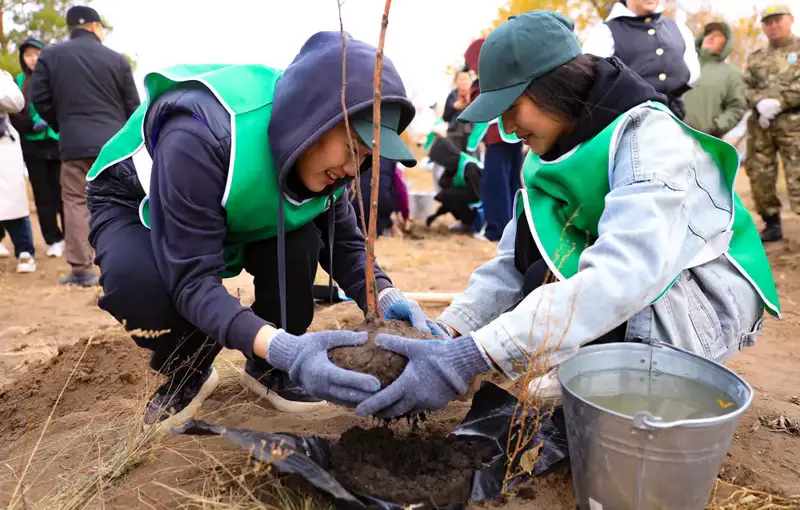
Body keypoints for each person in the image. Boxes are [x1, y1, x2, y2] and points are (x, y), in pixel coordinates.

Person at [351, 11, 779, 419]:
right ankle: (590, 358)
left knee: (613, 305)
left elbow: (626, 274)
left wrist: (472, 358)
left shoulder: (648, 139)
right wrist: (452, 333)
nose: (506, 128)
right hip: (635, 285)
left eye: (511, 109)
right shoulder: (547, 154)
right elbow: (507, 267)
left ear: (552, 87)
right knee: (531, 253)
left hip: (693, 297)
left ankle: (620, 370)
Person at [86, 31, 442, 431]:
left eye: (366, 157)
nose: (351, 169)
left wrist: (384, 293)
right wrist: (285, 348)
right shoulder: (202, 133)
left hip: (239, 205)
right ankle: (189, 366)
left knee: (303, 239)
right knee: (141, 286)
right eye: (352, 147)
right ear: (317, 118)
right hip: (137, 202)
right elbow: (191, 278)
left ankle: (267, 368)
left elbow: (345, 247)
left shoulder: (325, 161)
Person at [31, 5, 140, 286]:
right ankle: (125, 265)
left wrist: (63, 126)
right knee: (120, 202)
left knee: (76, 201)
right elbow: (133, 106)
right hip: (114, 147)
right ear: (94, 26)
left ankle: (81, 270)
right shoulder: (116, 59)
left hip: (74, 145)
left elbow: (39, 99)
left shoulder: (51, 55)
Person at [582, 0, 700, 119]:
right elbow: (591, 82)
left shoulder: (679, 28)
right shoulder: (604, 33)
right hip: (630, 120)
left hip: (676, 117)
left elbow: (693, 72)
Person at [743, 4, 800, 243]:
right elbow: (744, 86)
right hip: (762, 126)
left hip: (795, 125)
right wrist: (759, 103)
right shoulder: (756, 57)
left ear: (791, 19)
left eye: (778, 20)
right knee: (760, 174)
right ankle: (772, 223)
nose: (773, 26)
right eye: (768, 22)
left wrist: (780, 102)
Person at [463, 38, 524, 242]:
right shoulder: (510, 77)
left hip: (497, 137)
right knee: (513, 183)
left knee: (495, 185)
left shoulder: (485, 83)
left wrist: (471, 142)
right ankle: (514, 229)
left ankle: (497, 230)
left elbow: (481, 110)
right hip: (515, 135)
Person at [9, 38, 64, 258]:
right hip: (33, 146)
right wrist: (31, 125)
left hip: (57, 142)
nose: (33, 59)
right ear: (23, 58)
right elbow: (14, 115)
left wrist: (51, 121)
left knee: (63, 194)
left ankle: (73, 236)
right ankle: (53, 239)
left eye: (37, 53)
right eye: (28, 54)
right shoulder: (18, 81)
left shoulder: (57, 78)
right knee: (42, 196)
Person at [683, 22, 747, 139]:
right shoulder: (683, 63)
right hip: (669, 135)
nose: (711, 37)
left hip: (704, 142)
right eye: (708, 34)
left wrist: (714, 127)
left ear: (726, 43)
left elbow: (737, 108)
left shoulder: (732, 75)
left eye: (718, 35)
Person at [0, 69, 36, 273]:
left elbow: (17, 102)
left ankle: (25, 252)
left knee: (13, 203)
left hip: (3, 146)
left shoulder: (2, 77)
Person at [425, 137, 483, 232]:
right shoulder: (453, 167)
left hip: (483, 206)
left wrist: (449, 195)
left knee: (447, 195)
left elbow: (476, 196)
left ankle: (474, 224)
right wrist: (437, 214)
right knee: (445, 191)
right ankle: (466, 223)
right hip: (472, 203)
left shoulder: (469, 167)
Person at [351, 158, 410, 237]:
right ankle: (385, 229)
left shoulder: (360, 156)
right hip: (382, 206)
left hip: (358, 204)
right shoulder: (391, 160)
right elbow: (401, 189)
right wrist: (405, 214)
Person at [441, 69, 474, 151]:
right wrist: (454, 107)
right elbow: (445, 117)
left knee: (471, 160)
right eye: (460, 79)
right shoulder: (452, 95)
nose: (463, 82)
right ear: (456, 81)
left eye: (465, 79)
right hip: (454, 133)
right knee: (454, 158)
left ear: (470, 80)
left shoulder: (475, 95)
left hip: (471, 134)